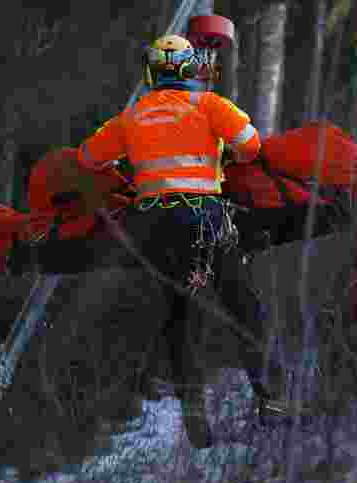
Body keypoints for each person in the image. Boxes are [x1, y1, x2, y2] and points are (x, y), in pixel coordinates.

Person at [79, 34, 284, 447]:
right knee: (242, 303)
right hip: (206, 218)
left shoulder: (132, 116)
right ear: (191, 69)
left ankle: (193, 409)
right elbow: (252, 146)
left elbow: (87, 158)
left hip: (156, 225)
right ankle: (271, 398)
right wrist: (220, 152)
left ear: (152, 73)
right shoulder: (208, 105)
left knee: (180, 314)